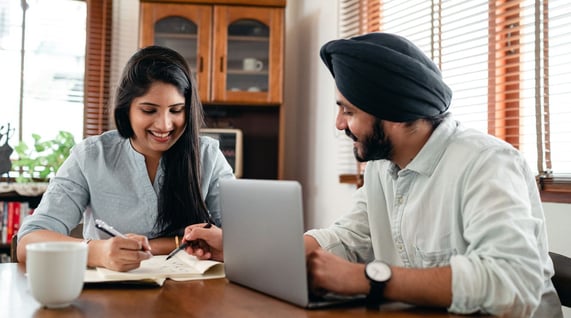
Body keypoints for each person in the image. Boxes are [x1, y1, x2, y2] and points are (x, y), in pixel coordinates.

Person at [181, 32, 562, 317]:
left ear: (391, 112)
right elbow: (351, 238)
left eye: (348, 111)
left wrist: (367, 278)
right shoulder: (382, 165)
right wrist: (244, 247)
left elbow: (513, 282)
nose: (339, 122)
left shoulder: (487, 164)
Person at [17, 45, 234, 272]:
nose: (165, 125)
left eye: (176, 110)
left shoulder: (207, 155)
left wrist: (224, 244)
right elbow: (28, 243)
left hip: (194, 295)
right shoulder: (91, 156)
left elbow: (244, 237)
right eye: (149, 111)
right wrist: (96, 251)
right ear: (126, 109)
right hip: (111, 298)